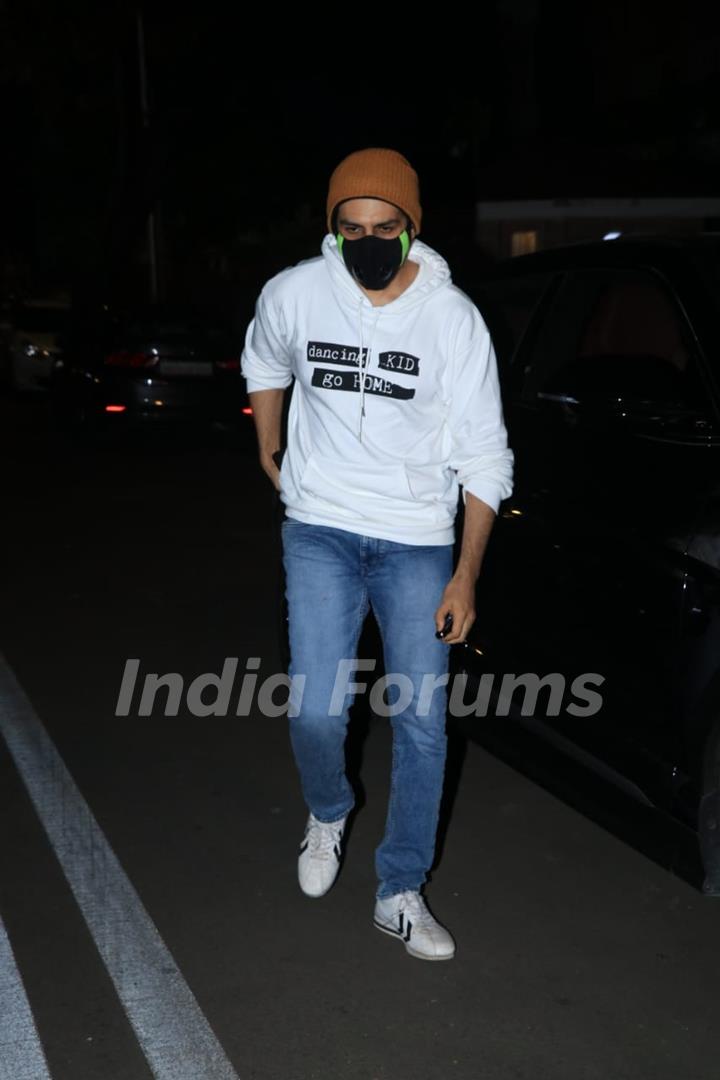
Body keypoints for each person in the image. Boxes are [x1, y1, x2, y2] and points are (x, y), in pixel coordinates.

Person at [241, 148, 513, 961]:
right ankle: (329, 811)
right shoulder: (295, 291)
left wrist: (465, 573)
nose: (366, 242)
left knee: (423, 724)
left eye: (384, 229)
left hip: (419, 540)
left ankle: (400, 890)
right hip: (320, 525)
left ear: (410, 228)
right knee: (318, 711)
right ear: (333, 228)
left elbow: (486, 454)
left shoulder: (452, 319)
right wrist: (268, 440)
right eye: (351, 228)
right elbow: (263, 357)